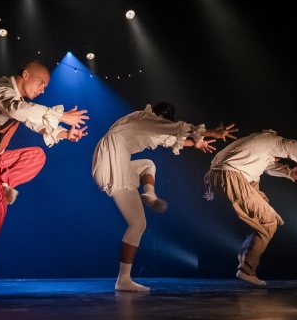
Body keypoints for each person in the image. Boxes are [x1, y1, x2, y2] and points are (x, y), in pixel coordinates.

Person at [0, 60, 89, 297]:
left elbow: (35, 122)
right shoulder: (1, 90)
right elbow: (17, 110)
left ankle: (3, 182)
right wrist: (62, 115)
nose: (42, 89)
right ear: (25, 74)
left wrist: (65, 133)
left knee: (36, 155)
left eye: (45, 86)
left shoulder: (20, 100)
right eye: (40, 83)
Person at [92, 102, 238, 292]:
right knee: (138, 224)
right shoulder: (143, 118)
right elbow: (177, 129)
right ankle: (123, 280)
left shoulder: (148, 126)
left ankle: (150, 194)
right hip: (112, 161)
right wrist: (211, 132)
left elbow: (169, 139)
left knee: (147, 165)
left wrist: (196, 143)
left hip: (112, 159)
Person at [203, 129, 297, 287]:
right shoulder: (274, 142)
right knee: (269, 222)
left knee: (259, 224)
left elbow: (267, 166)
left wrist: (291, 173)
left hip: (225, 177)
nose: (275, 159)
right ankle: (246, 270)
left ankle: (246, 265)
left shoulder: (253, 142)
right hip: (233, 177)